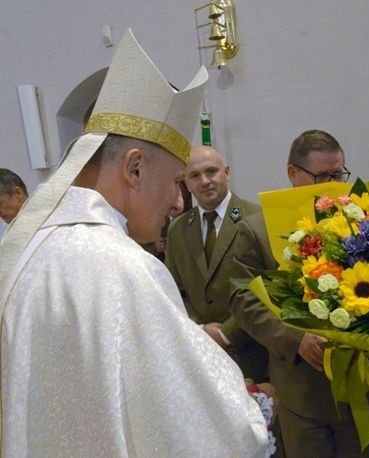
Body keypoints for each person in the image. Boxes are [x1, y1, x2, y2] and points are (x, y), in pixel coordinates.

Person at [0, 30, 272, 456]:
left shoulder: (31, 250)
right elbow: (201, 432)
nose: (177, 201)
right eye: (176, 182)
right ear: (135, 168)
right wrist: (254, 410)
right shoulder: (122, 266)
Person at [229, 130, 369, 457]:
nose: (332, 183)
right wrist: (292, 339)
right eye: (322, 176)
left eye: (338, 173)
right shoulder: (257, 229)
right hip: (301, 388)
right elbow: (242, 297)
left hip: (359, 384)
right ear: (293, 174)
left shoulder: (364, 223)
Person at [165, 145, 269, 382]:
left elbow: (268, 291)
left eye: (211, 172)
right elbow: (173, 292)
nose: (204, 181)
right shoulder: (177, 230)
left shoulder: (257, 218)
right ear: (186, 183)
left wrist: (226, 333)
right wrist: (200, 331)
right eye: (194, 176)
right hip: (201, 358)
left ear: (227, 173)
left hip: (253, 356)